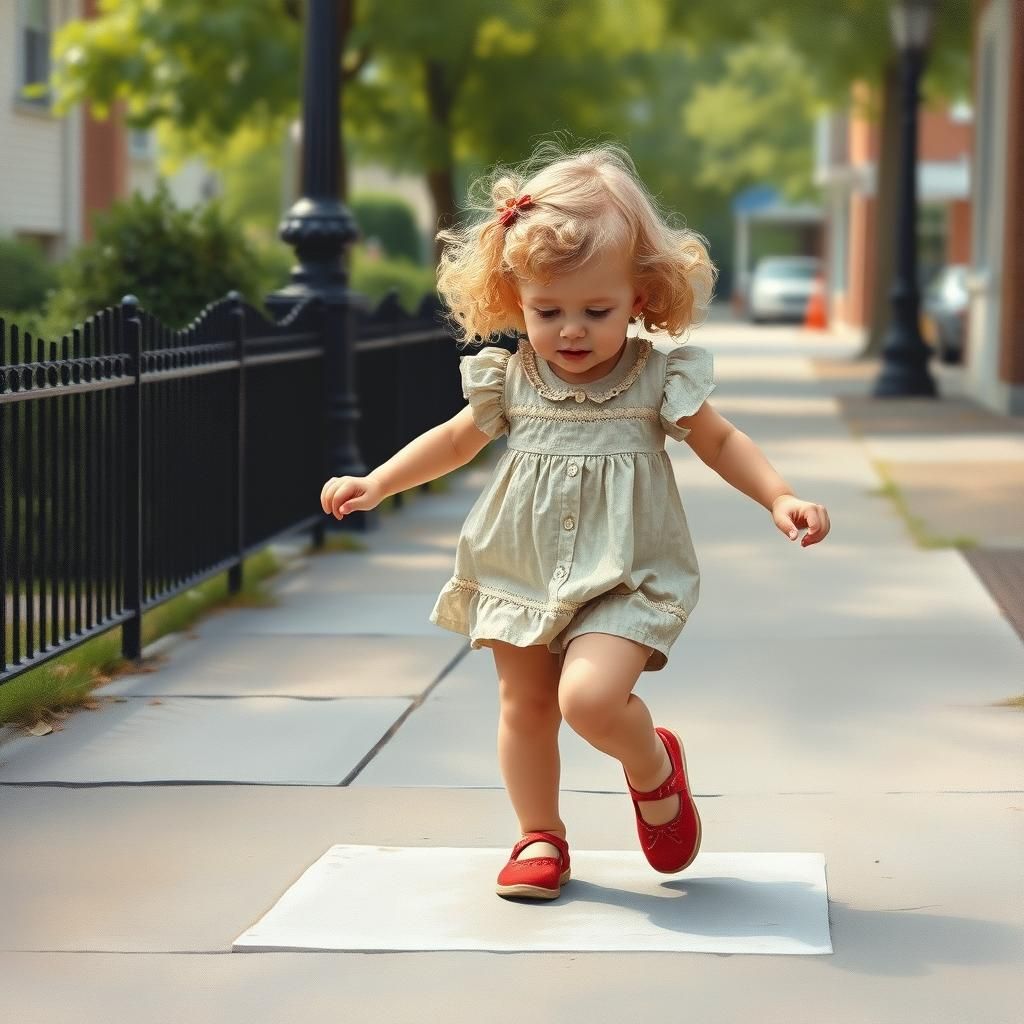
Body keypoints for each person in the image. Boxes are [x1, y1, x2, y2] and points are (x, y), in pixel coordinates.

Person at [320, 142, 831, 901]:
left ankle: (652, 766)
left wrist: (779, 496)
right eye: (546, 311)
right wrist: (381, 481)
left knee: (587, 701)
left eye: (597, 310)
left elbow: (718, 440)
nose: (570, 331)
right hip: (522, 565)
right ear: (512, 296)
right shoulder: (512, 377)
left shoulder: (657, 375)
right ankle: (539, 836)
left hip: (626, 570)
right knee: (524, 706)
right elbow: (456, 440)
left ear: (642, 296)